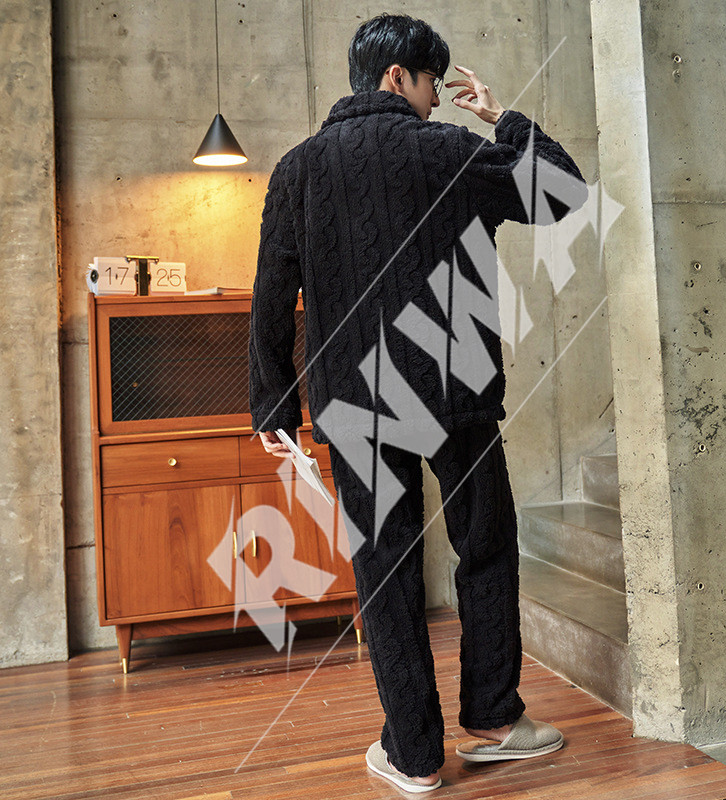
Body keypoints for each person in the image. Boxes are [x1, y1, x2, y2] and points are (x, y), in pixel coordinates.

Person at [249, 13, 587, 793]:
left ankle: (414, 756)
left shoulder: (298, 170)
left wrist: (275, 410)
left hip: (353, 407)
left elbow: (271, 297)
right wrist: (504, 117)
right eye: (434, 81)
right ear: (398, 75)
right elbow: (562, 191)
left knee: (385, 568)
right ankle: (494, 720)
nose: (437, 98)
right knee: (486, 545)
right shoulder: (449, 150)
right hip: (455, 392)